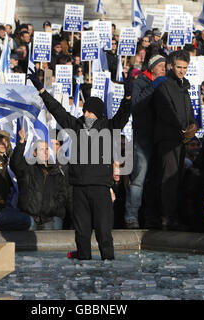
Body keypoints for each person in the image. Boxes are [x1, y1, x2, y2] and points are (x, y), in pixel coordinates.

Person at [27, 67, 132, 260]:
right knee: (82, 233)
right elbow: (57, 110)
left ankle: (107, 265)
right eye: (85, 110)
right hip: (79, 188)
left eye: (90, 111)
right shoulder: (76, 125)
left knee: (103, 232)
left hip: (100, 188)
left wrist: (128, 97)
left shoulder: (109, 127)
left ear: (98, 113)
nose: (86, 114)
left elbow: (124, 114)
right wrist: (42, 91)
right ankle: (84, 264)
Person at [151, 50, 197, 231]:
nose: (182, 71)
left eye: (185, 68)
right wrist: (182, 127)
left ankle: (172, 215)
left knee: (175, 179)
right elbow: (165, 110)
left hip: (181, 139)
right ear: (172, 65)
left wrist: (192, 124)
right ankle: (167, 217)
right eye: (179, 67)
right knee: (168, 179)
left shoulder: (184, 86)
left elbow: (189, 110)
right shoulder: (164, 85)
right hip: (168, 138)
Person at [125, 54, 166, 229]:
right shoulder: (140, 82)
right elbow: (136, 104)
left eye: (165, 65)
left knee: (156, 180)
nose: (164, 68)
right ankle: (131, 216)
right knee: (138, 179)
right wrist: (154, 86)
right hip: (142, 138)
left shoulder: (166, 82)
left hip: (159, 138)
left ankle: (152, 217)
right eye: (161, 65)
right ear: (152, 67)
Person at [10, 126, 68, 230]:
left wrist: (51, 208)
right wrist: (22, 142)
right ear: (34, 152)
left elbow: (63, 195)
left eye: (47, 149)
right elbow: (16, 163)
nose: (45, 152)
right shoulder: (27, 168)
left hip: (50, 218)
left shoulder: (57, 172)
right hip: (29, 218)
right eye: (41, 149)